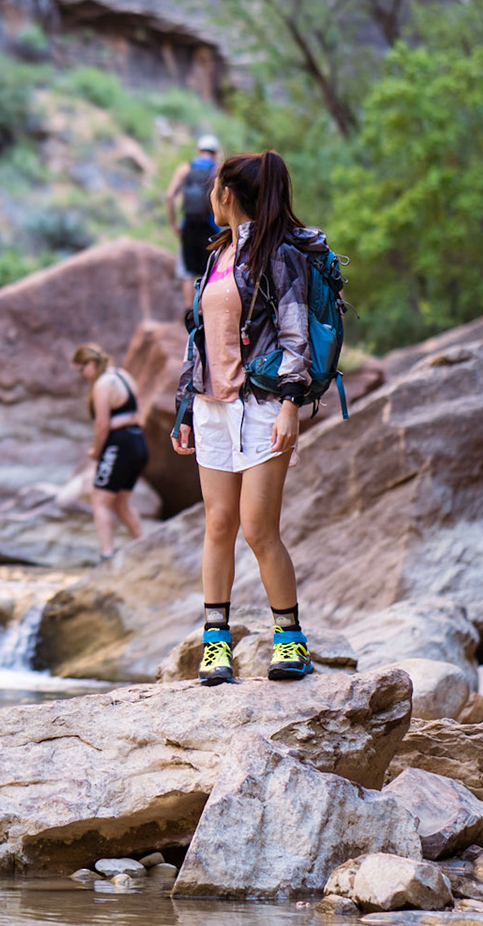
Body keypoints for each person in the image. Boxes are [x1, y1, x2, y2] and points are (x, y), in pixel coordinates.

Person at [170, 149, 323, 685]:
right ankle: (216, 647)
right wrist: (185, 407)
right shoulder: (218, 253)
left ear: (227, 194)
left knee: (258, 529)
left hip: (262, 407)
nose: (208, 197)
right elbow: (198, 338)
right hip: (212, 408)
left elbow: (296, 335)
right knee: (218, 525)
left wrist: (291, 406)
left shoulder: (278, 255)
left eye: (212, 188)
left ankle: (291, 641)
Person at [71, 343, 149, 560]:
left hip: (120, 445)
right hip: (138, 442)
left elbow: (102, 424)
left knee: (99, 500)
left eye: (81, 370)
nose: (82, 375)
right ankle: (146, 547)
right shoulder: (122, 375)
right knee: (121, 503)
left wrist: (96, 451)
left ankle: (106, 554)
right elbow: (136, 410)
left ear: (91, 363)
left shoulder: (102, 384)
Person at [165, 134, 223, 309]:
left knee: (187, 273)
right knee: (210, 272)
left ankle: (189, 315)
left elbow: (169, 196)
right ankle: (206, 313)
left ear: (199, 150)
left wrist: (174, 224)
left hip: (188, 225)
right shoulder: (218, 170)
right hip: (211, 227)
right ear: (215, 152)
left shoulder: (185, 168)